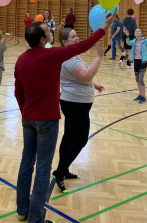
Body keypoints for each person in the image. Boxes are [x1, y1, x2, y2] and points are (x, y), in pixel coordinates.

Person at [14, 14, 114, 223]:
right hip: (47, 121)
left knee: (26, 163)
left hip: (28, 119)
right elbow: (84, 45)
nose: (51, 31)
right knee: (42, 168)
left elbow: (18, 92)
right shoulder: (52, 55)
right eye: (48, 31)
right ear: (42, 40)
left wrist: (26, 112)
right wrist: (105, 25)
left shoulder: (22, 59)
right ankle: (36, 219)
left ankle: (22, 210)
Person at [52, 28, 106, 194]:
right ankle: (60, 172)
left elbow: (81, 76)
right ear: (64, 41)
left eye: (77, 35)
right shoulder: (69, 58)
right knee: (80, 139)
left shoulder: (71, 55)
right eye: (73, 36)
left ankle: (64, 169)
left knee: (69, 136)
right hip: (75, 103)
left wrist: (94, 84)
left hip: (75, 101)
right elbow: (85, 75)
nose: (77, 38)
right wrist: (99, 56)